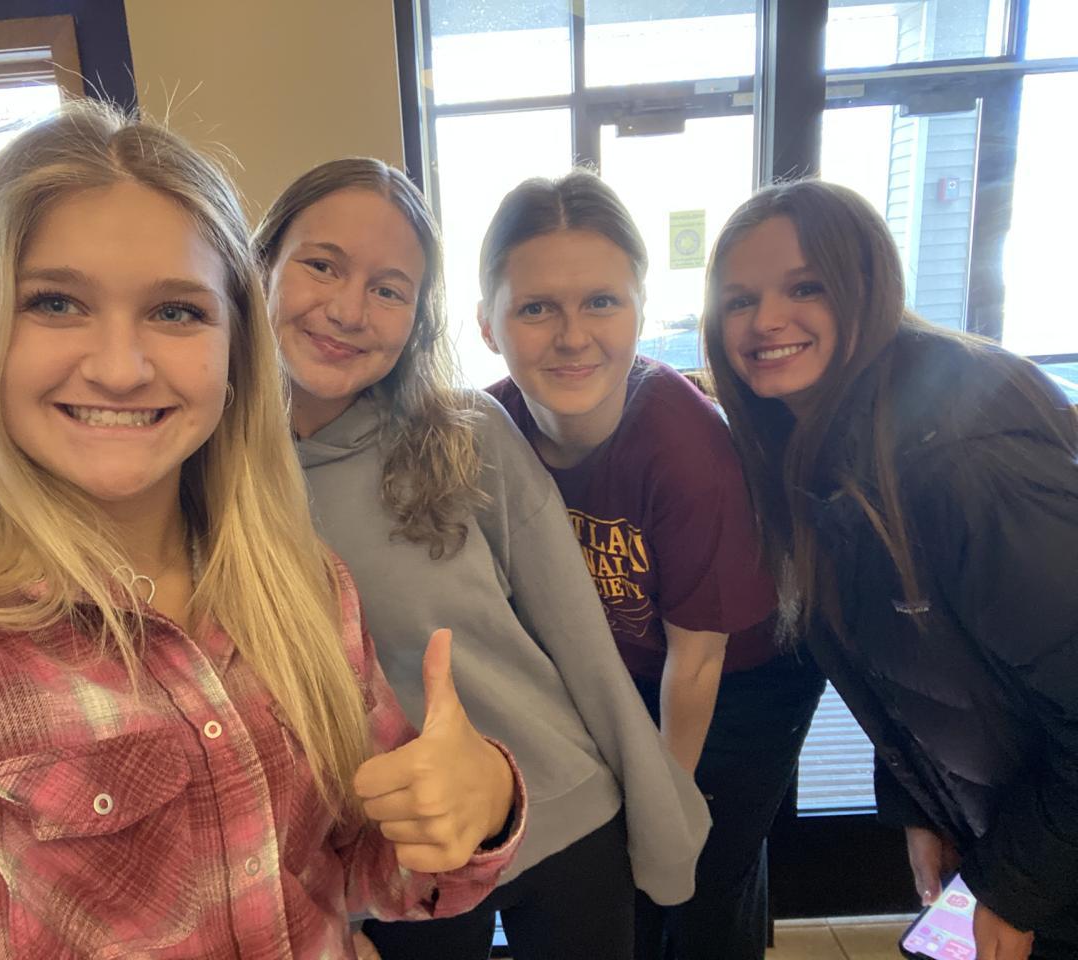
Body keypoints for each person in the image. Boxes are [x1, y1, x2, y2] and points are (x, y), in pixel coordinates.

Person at [0, 103, 528, 959]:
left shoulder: (305, 588)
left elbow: (363, 867)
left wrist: (481, 799)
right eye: (56, 303)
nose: (119, 368)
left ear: (235, 350)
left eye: (176, 312)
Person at [254, 158, 710, 960]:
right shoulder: (210, 480)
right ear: (261, 266)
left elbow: (581, 645)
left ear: (417, 317)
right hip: (393, 857)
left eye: (389, 289)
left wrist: (663, 825)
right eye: (322, 265)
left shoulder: (467, 435)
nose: (349, 310)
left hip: (562, 811)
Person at [702, 178, 1078, 960]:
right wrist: (917, 803)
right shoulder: (819, 447)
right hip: (1015, 825)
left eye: (805, 287)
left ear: (867, 287)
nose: (766, 320)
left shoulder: (966, 458)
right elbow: (902, 662)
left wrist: (1018, 886)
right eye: (739, 300)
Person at [478, 170, 826, 960]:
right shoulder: (488, 429)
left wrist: (662, 808)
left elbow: (697, 662)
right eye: (536, 308)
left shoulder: (685, 450)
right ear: (488, 325)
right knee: (620, 883)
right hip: (621, 668)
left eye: (602, 301)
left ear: (640, 309)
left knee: (698, 873)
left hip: (736, 680)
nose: (573, 336)